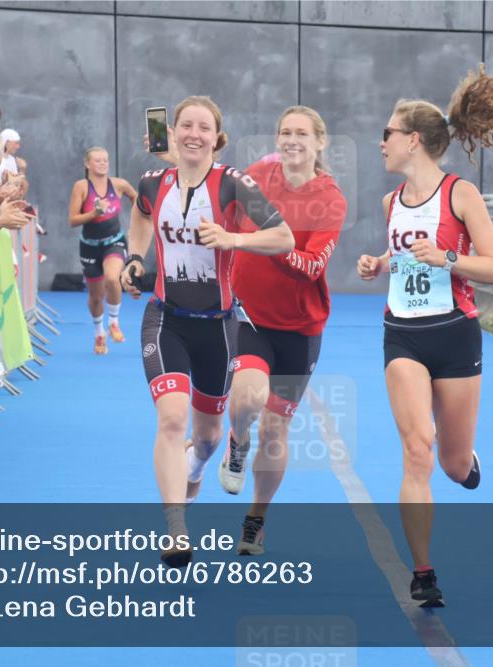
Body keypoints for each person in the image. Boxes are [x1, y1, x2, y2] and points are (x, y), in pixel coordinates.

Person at [356, 64, 493, 606]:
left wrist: (449, 259)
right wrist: (381, 263)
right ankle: (423, 572)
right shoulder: (390, 203)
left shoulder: (461, 194)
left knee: (452, 465)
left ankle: (466, 464)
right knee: (417, 449)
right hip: (402, 335)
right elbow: (407, 253)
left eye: (387, 132)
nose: (381, 142)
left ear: (412, 140)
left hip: (454, 335)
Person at [157, 107, 347, 558]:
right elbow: (210, 180)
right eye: (285, 132)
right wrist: (173, 152)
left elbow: (311, 266)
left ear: (320, 143)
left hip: (301, 328)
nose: (292, 140)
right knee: (247, 398)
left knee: (277, 429)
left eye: (302, 133)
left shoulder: (330, 199)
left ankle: (256, 519)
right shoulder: (258, 175)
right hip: (248, 316)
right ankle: (237, 441)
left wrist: (260, 240)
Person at [121, 96, 294, 567]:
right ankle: (176, 528)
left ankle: (196, 466)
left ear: (217, 138)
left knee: (208, 437)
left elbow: (283, 237)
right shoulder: (152, 183)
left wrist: (232, 237)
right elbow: (140, 214)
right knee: (171, 419)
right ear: (173, 132)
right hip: (165, 320)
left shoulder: (233, 184)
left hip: (218, 328)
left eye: (204, 127)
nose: (194, 134)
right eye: (186, 125)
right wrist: (134, 259)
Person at [68, 147, 137, 354]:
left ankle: (114, 322)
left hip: (114, 241)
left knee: (112, 278)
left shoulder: (118, 184)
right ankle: (99, 332)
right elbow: (73, 220)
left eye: (105, 160)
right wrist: (94, 213)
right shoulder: (81, 187)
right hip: (89, 246)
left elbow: (137, 199)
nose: (102, 164)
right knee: (96, 296)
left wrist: (138, 223)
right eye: (97, 160)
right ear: (87, 164)